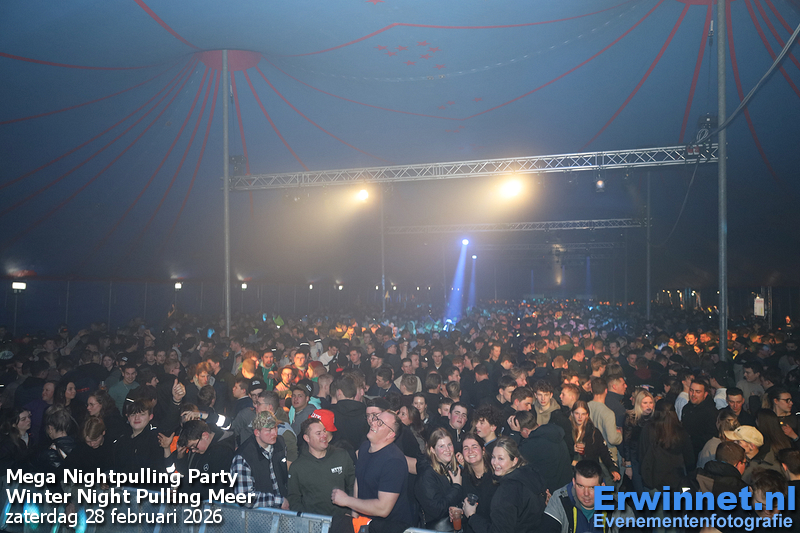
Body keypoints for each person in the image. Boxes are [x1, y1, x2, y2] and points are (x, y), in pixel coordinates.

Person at [331, 409, 415, 533]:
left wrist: (346, 501)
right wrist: (354, 516)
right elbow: (358, 481)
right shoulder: (365, 447)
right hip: (366, 522)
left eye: (380, 423)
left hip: (388, 527)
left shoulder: (394, 461)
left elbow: (383, 509)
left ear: (390, 435)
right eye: (376, 419)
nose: (373, 423)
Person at [462, 436, 547, 533]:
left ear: (514, 461)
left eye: (500, 458)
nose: (495, 463)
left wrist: (471, 516)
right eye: (493, 457)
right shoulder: (529, 477)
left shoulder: (508, 490)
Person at [287, 413, 355, 515]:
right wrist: (306, 518)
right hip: (314, 521)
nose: (324, 435)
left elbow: (353, 485)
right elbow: (294, 498)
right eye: (318, 433)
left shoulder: (341, 455)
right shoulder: (297, 467)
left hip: (342, 519)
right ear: (307, 438)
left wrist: (350, 512)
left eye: (324, 431)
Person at [231, 411, 290, 509]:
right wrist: (279, 501)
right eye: (269, 430)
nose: (275, 433)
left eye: (275, 427)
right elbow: (244, 497)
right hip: (259, 514)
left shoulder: (280, 443)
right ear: (257, 432)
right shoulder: (243, 457)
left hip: (282, 511)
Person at [542, 460, 620, 533]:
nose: (586, 493)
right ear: (574, 482)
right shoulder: (560, 500)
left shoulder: (616, 505)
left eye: (592, 487)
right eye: (581, 486)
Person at [639, 400, 694, 491]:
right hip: (677, 481)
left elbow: (642, 454)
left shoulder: (648, 429)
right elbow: (689, 458)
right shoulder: (681, 431)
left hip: (653, 480)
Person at [415, 428, 464, 530]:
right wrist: (456, 486)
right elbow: (437, 510)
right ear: (433, 450)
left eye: (449, 445)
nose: (447, 449)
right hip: (435, 529)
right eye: (441, 446)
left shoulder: (450, 468)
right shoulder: (427, 475)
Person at [515, 410, 573, 492]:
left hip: (549, 492)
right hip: (567, 487)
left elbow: (513, 459)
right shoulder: (554, 433)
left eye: (520, 432)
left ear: (525, 431)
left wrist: (514, 433)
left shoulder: (530, 446)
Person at [456, 434, 498, 533]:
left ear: (483, 450)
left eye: (474, 447)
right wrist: (460, 511)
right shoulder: (464, 477)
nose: (470, 451)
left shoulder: (495, 476)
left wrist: (471, 515)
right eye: (466, 448)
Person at [570, 401, 620, 482]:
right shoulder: (567, 431)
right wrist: (571, 449)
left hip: (591, 474)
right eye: (577, 413)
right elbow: (560, 452)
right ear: (572, 414)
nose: (580, 417)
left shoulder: (594, 432)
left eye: (583, 414)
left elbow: (605, 452)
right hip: (572, 474)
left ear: (587, 415)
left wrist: (613, 469)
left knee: (608, 489)